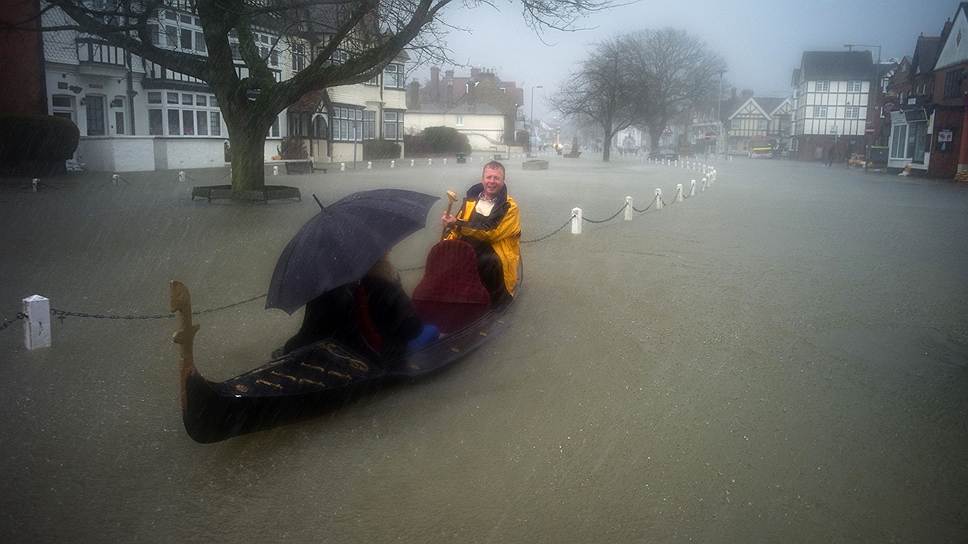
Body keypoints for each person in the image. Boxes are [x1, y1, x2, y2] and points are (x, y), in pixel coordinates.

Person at [282, 256, 424, 362]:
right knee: (430, 331)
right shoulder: (386, 286)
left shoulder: (332, 286)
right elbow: (412, 328)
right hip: (378, 351)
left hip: (337, 346)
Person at [441, 161, 521, 304]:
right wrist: (449, 231)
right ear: (482, 179)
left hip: (495, 250)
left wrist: (457, 224)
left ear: (503, 181)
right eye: (488, 177)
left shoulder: (510, 206)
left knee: (488, 261)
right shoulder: (471, 200)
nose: (492, 181)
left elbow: (491, 231)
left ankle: (492, 299)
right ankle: (457, 293)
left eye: (496, 178)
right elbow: (459, 224)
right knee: (447, 253)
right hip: (471, 246)